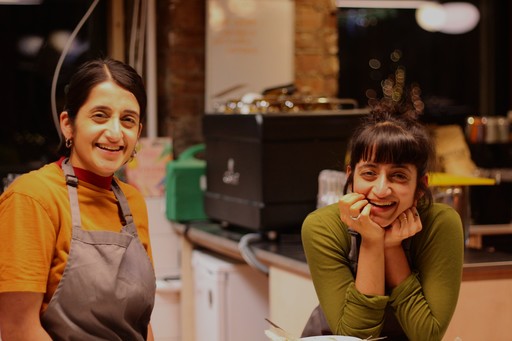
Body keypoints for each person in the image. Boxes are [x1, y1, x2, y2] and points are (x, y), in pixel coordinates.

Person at [0, 58, 156, 341]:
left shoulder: (133, 202)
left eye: (128, 119)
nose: (115, 132)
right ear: (68, 125)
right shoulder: (32, 197)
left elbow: (141, 325)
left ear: (138, 132)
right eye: (100, 115)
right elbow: (18, 329)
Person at [301, 109, 464, 340]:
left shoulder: (440, 224)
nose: (380, 190)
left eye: (398, 176)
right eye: (369, 173)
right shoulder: (321, 226)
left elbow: (427, 335)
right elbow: (352, 336)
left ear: (420, 186)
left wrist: (391, 248)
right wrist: (372, 241)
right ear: (351, 176)